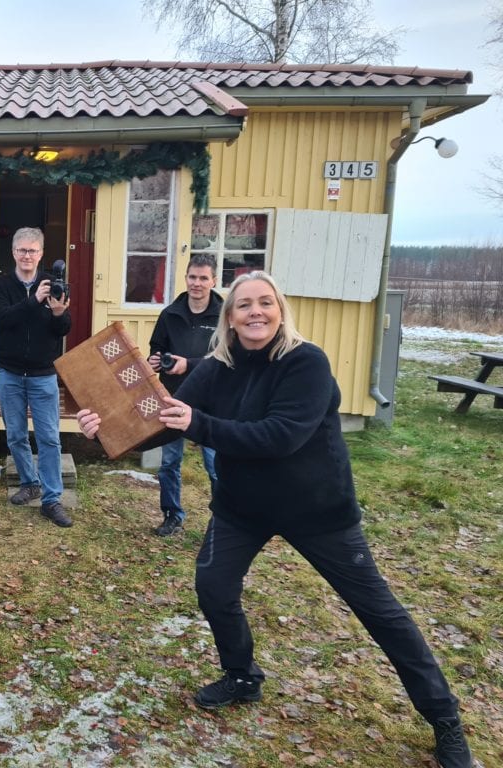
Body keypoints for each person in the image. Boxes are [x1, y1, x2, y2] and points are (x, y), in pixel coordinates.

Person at [76, 271, 473, 768]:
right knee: (214, 588)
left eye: (265, 303)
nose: (255, 312)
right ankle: (242, 676)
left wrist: (199, 424)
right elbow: (167, 419)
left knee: (379, 611)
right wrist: (104, 432)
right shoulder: (218, 367)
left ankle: (445, 718)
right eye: (244, 305)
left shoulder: (304, 362)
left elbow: (280, 435)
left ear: (279, 310)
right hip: (243, 508)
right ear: (230, 317)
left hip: (317, 510)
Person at [0, 227, 72, 527]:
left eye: (33, 251)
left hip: (42, 375)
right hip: (8, 373)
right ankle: (29, 483)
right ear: (13, 252)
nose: (27, 256)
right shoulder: (0, 285)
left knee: (49, 438)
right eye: (22, 250)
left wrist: (59, 313)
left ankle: (51, 499)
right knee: (15, 434)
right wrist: (34, 301)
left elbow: (63, 330)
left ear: (41, 254)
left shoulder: (53, 285)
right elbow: (4, 318)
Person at [146, 253, 222, 536]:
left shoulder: (225, 315)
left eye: (204, 278)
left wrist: (188, 364)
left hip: (212, 401)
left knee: (215, 466)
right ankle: (172, 515)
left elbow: (226, 359)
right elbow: (156, 348)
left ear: (214, 280)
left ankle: (223, 522)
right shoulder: (170, 314)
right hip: (173, 397)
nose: (197, 283)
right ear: (186, 278)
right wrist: (155, 359)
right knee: (169, 463)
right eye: (193, 277)